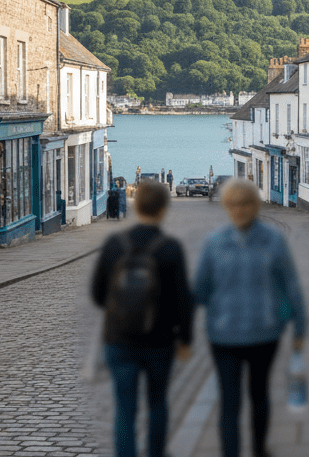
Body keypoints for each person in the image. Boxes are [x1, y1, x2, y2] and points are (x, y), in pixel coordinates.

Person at [194, 179, 307, 457]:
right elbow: (199, 289)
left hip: (263, 333)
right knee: (230, 402)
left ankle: (259, 449)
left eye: (245, 204)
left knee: (259, 397)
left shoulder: (274, 240)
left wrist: (299, 327)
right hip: (224, 336)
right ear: (226, 207)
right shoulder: (214, 243)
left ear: (255, 206)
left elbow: (290, 284)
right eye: (233, 204)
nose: (240, 210)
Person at [91, 181, 193, 457]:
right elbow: (183, 300)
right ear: (163, 209)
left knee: (125, 408)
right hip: (159, 341)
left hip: (119, 340)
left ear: (136, 206)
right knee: (157, 403)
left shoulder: (114, 245)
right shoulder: (170, 248)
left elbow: (98, 294)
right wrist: (185, 339)